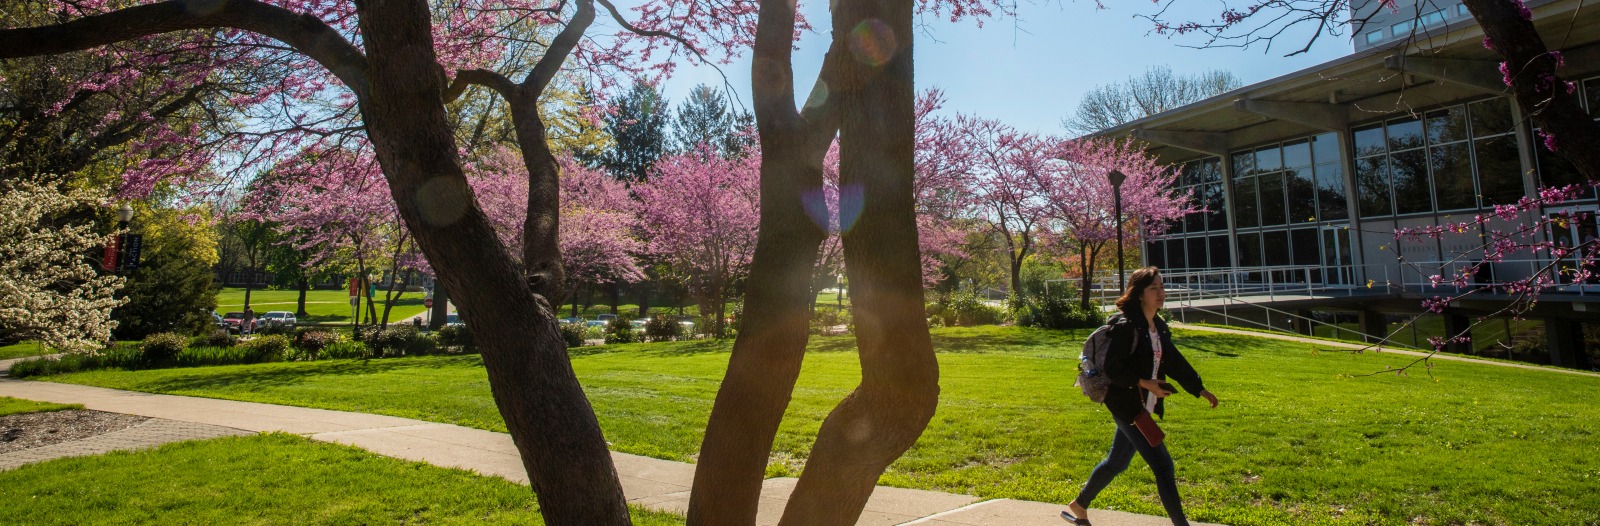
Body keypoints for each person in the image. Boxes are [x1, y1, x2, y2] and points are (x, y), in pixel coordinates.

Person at [1062, 267, 1219, 526]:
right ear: (1139, 294)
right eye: (1153, 288)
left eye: (1161, 287)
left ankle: (1079, 505)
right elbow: (1114, 370)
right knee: (1164, 467)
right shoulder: (1127, 327)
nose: (1160, 293)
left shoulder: (1157, 327)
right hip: (1127, 405)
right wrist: (1147, 383)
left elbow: (1175, 361)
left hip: (1142, 404)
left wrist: (1199, 389)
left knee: (1117, 462)